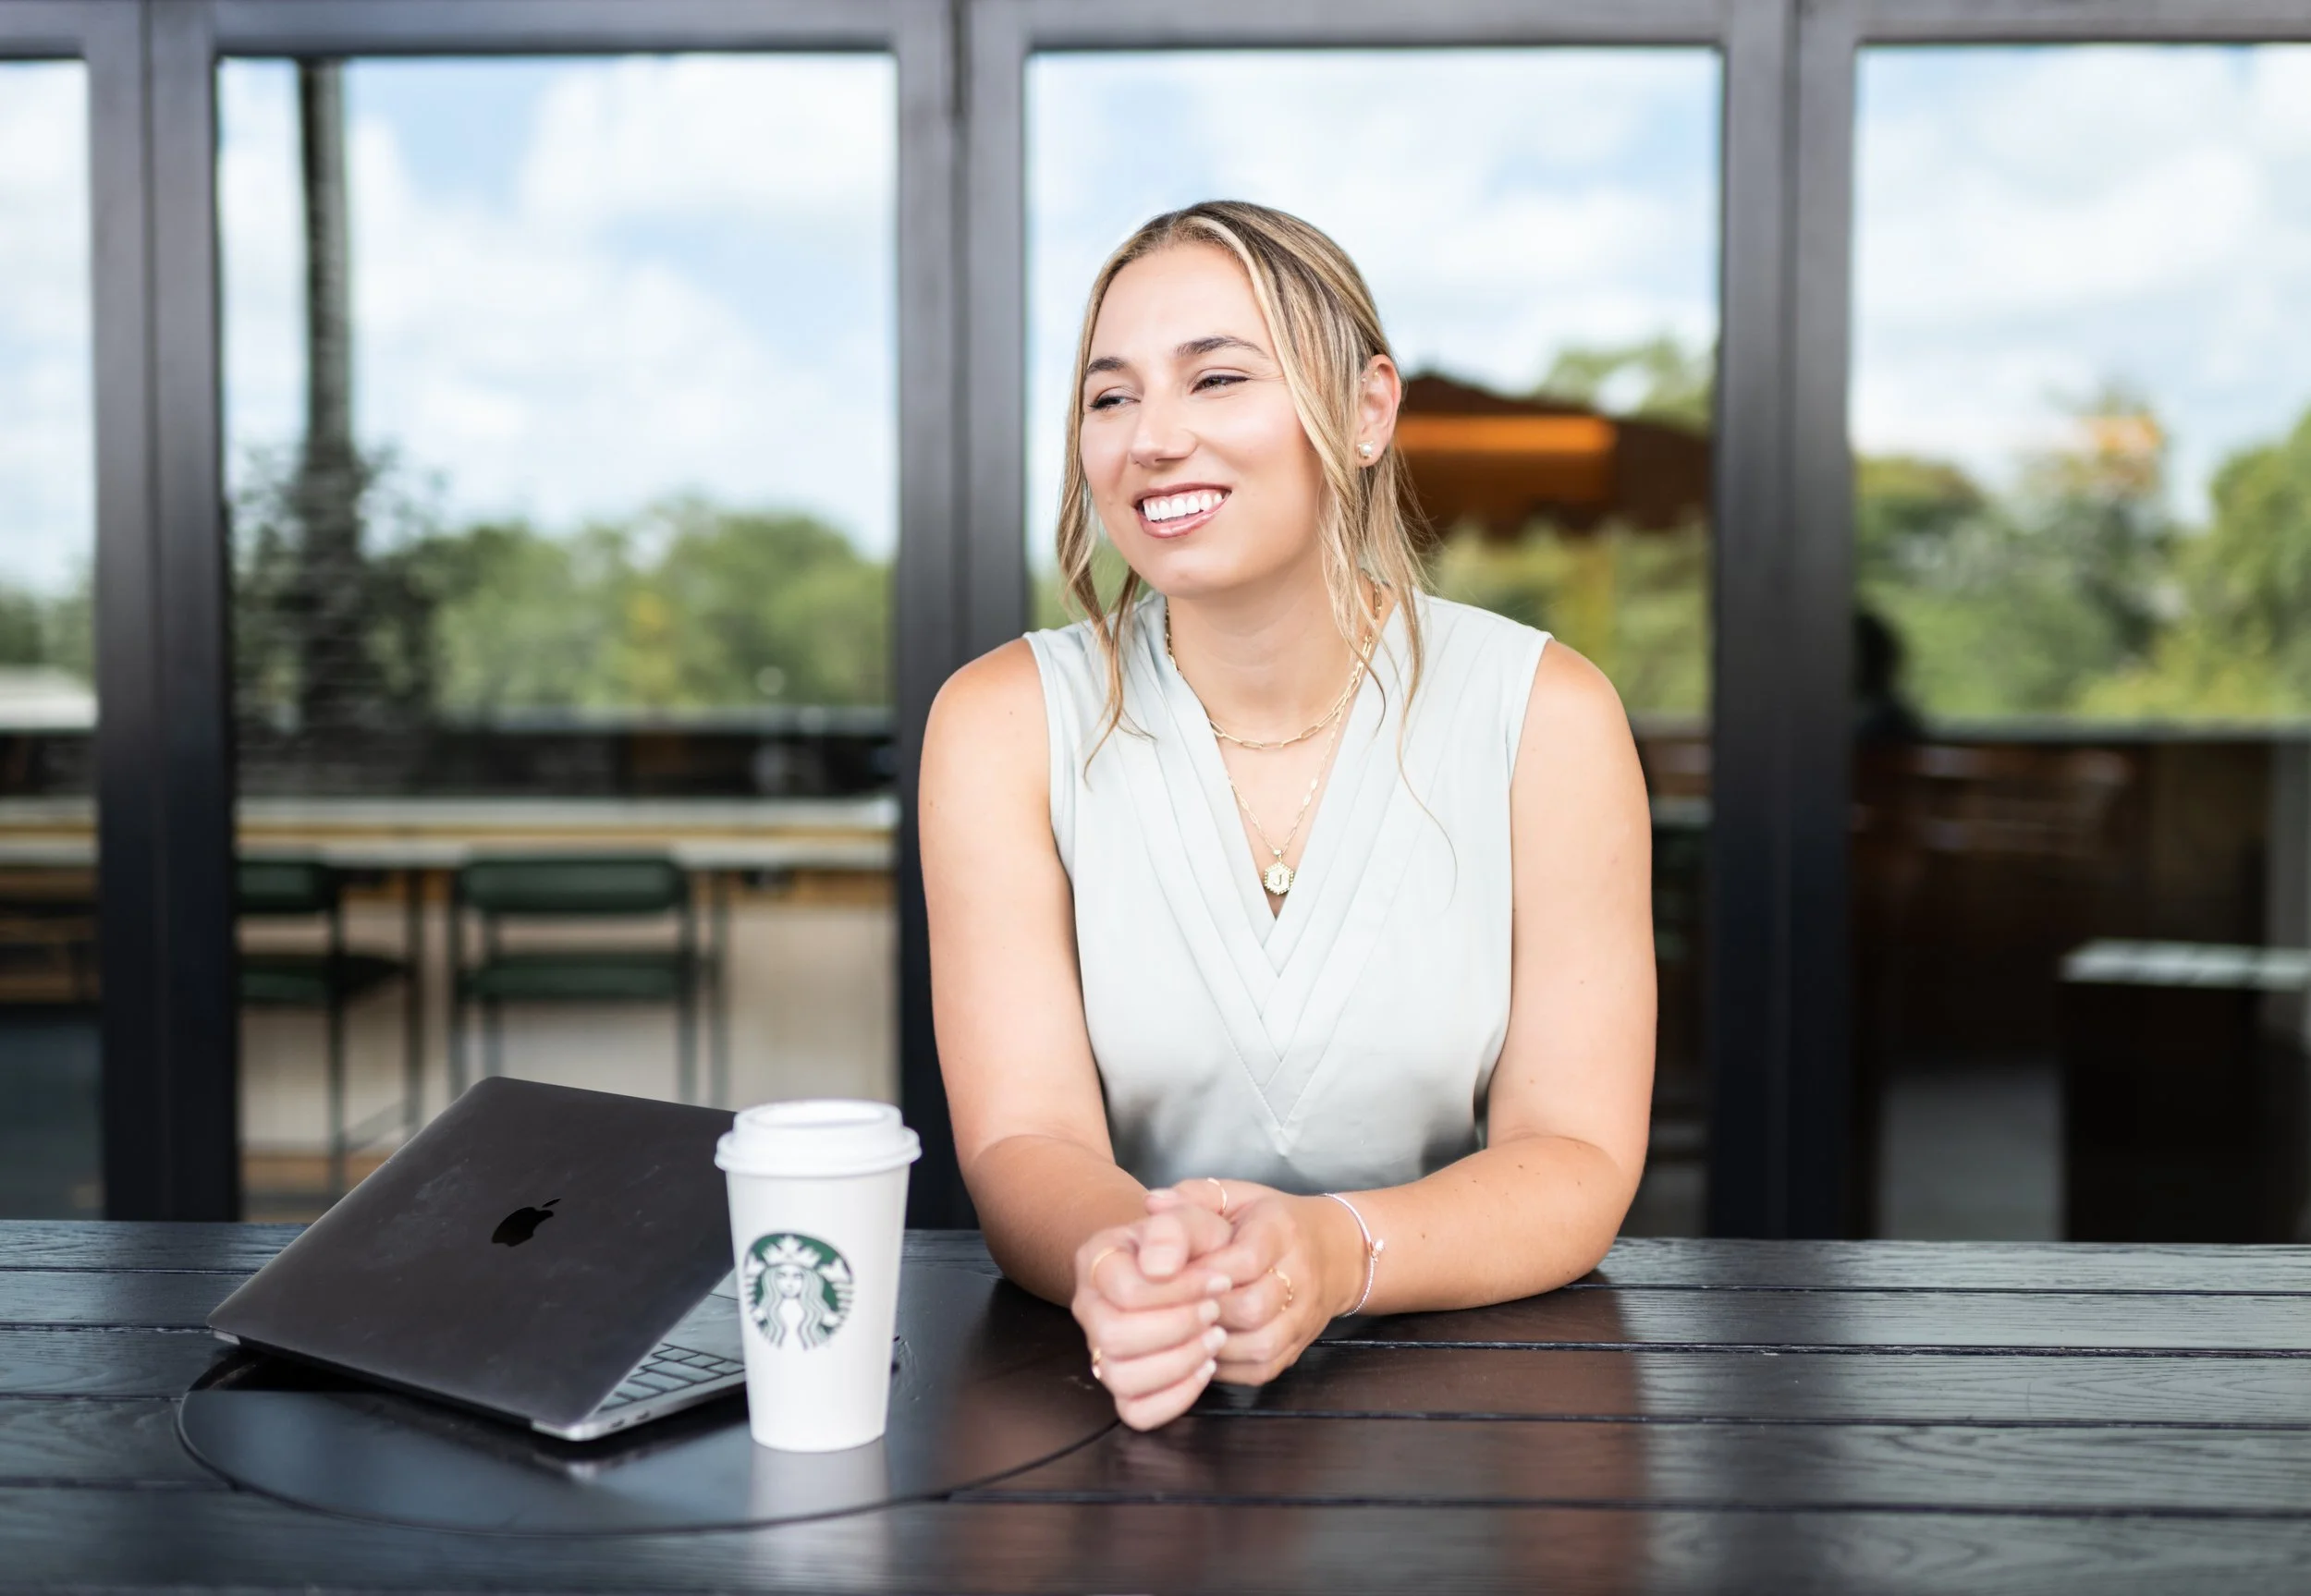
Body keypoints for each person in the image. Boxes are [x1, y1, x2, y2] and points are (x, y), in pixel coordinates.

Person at [921, 201, 1655, 1432]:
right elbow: (1024, 1136)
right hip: (1120, 1402)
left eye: (1216, 377)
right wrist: (1133, 1269)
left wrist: (1336, 1252)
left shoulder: (1551, 715)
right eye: (1110, 398)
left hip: (1465, 1417)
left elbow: (1575, 1156)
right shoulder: (997, 722)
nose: (1152, 438)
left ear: (1369, 409)